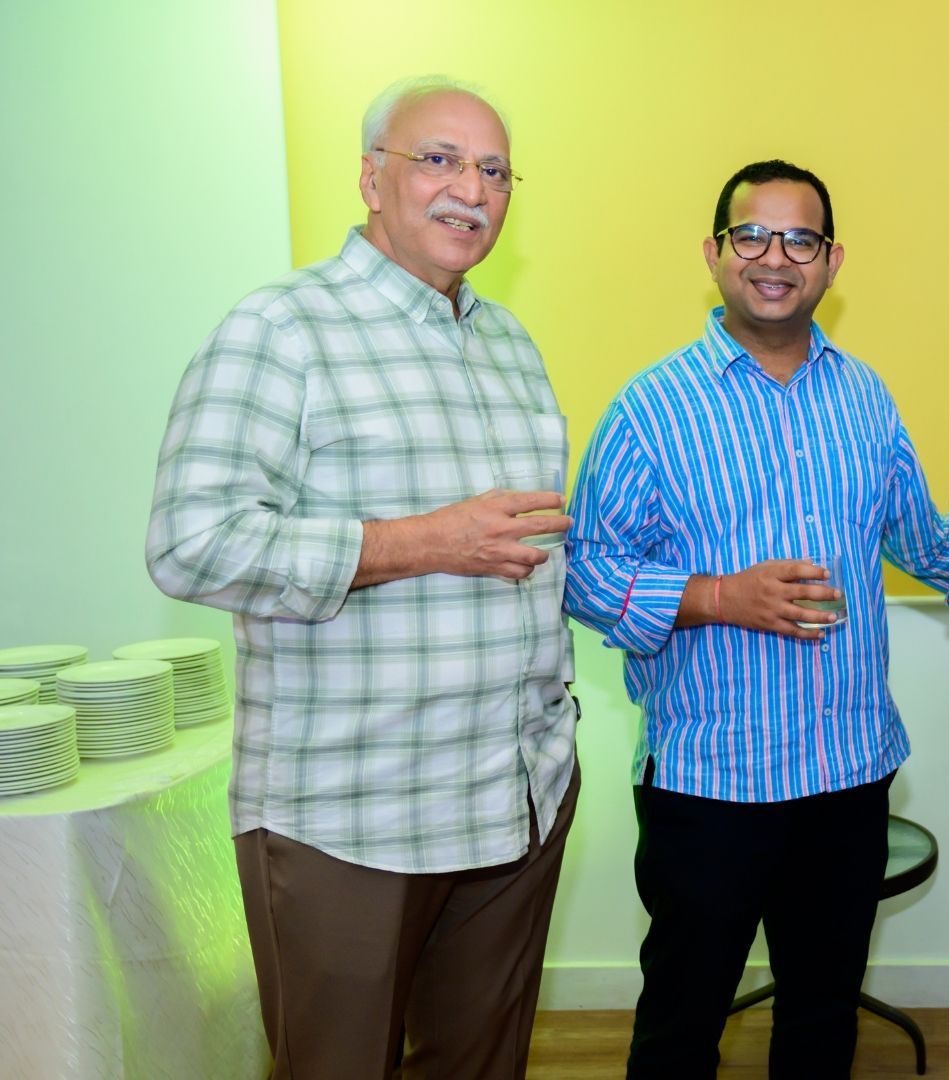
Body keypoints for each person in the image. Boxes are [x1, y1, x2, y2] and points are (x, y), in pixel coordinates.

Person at [145, 76, 576, 1078]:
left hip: (515, 795)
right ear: (372, 178)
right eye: (440, 159)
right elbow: (189, 541)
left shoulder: (508, 343)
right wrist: (423, 542)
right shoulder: (280, 330)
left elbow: (529, 550)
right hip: (351, 816)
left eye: (496, 170)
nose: (472, 187)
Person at [563, 159, 949, 1078]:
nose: (775, 257)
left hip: (848, 773)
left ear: (832, 261)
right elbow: (583, 570)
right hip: (711, 784)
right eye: (752, 235)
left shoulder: (865, 396)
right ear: (714, 253)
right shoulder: (651, 408)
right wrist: (717, 596)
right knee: (681, 1027)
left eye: (800, 239)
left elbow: (923, 538)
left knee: (821, 1022)